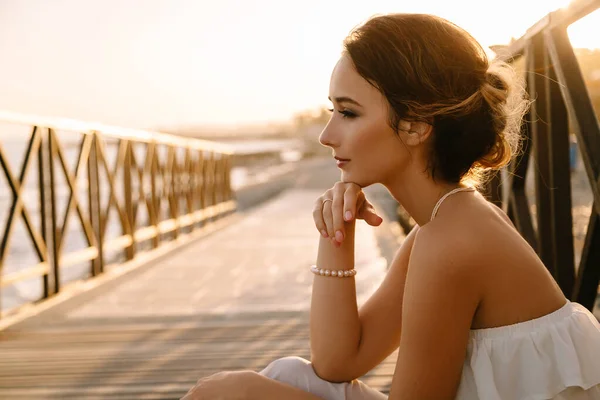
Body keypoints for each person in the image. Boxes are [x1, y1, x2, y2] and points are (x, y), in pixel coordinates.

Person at [182, 13, 600, 400]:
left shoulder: (452, 241)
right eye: (332, 110)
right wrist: (336, 233)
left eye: (348, 113)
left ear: (415, 125)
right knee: (287, 376)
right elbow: (337, 362)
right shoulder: (438, 225)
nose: (326, 135)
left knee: (228, 393)